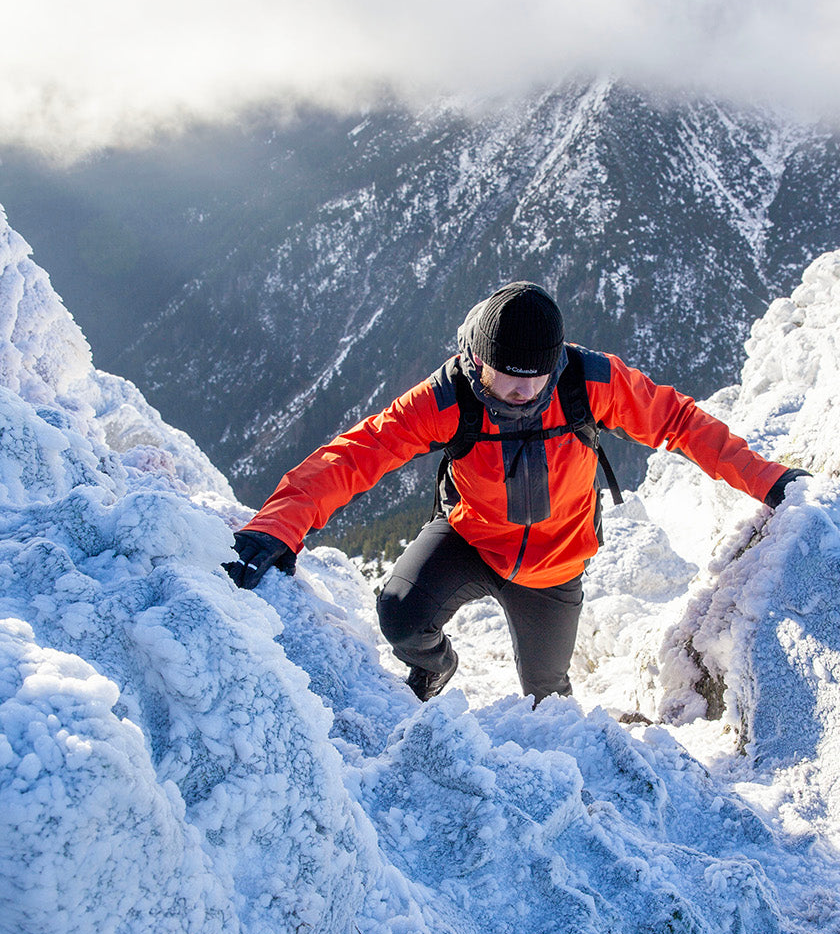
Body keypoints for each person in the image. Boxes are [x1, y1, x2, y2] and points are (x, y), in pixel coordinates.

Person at [226, 281, 808, 703]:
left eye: (535, 375)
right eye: (505, 374)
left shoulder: (587, 380)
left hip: (555, 567)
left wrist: (769, 479)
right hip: (470, 539)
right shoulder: (448, 397)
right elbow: (358, 453)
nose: (522, 389)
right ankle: (437, 669)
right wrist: (279, 525)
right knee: (401, 616)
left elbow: (678, 421)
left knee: (548, 698)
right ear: (475, 358)